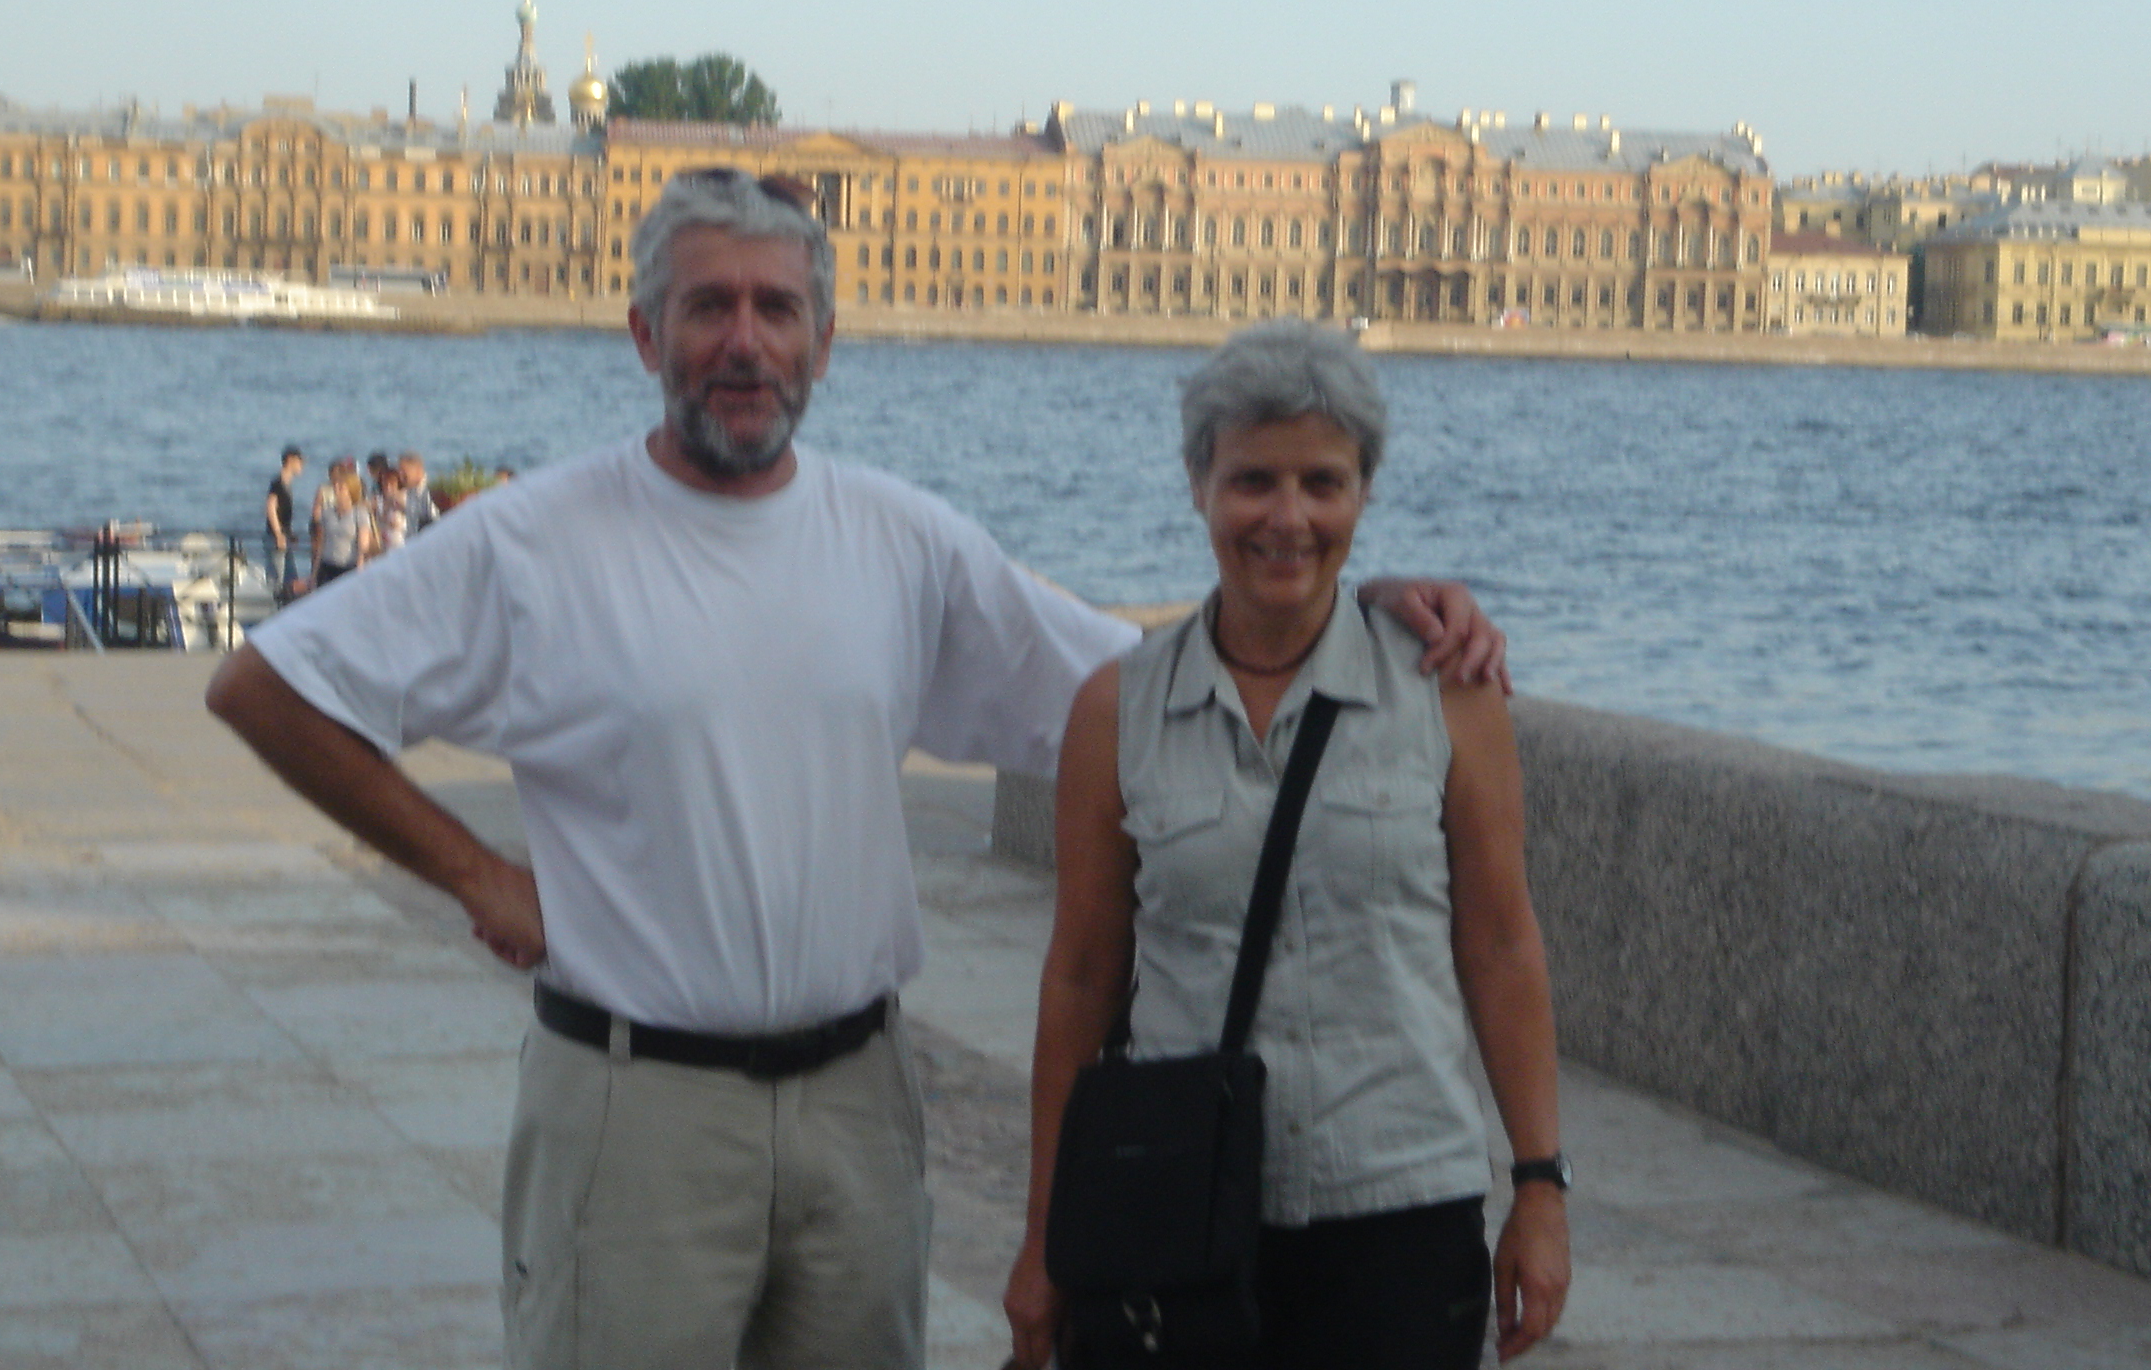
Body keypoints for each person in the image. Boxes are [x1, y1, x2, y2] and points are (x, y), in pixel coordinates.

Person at [204, 170, 1507, 1370]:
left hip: (856, 1109)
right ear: (646, 335)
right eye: (708, 306)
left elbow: (1150, 688)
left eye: (778, 309)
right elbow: (266, 687)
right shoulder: (535, 541)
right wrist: (476, 874)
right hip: (634, 1111)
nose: (745, 341)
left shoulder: (902, 543)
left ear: (825, 343)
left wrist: (1342, 599)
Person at [1005, 319, 1570, 1370]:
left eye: (1323, 483)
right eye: (1253, 481)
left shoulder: (1447, 696)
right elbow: (1082, 972)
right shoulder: (1119, 710)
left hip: (1399, 1208)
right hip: (1178, 1213)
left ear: (1364, 494)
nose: (1288, 518)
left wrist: (1540, 1186)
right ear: (1199, 487)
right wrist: (1045, 1234)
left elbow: (1500, 945)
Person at [307, 457, 373, 587]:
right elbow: (321, 544)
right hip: (327, 566)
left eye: (341, 488)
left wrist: (360, 570)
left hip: (348, 567)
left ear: (350, 491)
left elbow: (363, 547)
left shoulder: (359, 513)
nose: (336, 490)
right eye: (336, 487)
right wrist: (314, 573)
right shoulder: (327, 512)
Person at [264, 446, 305, 600]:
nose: (301, 466)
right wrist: (278, 534)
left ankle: (288, 604)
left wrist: (290, 533)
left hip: (285, 535)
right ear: (290, 460)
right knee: (277, 577)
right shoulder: (278, 483)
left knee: (290, 577)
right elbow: (270, 507)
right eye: (300, 462)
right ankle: (276, 605)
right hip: (276, 537)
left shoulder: (287, 484)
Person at [396, 450, 442, 536]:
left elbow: (436, 523)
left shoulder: (430, 493)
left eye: (404, 472)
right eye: (399, 472)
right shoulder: (410, 492)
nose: (400, 476)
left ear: (418, 470)